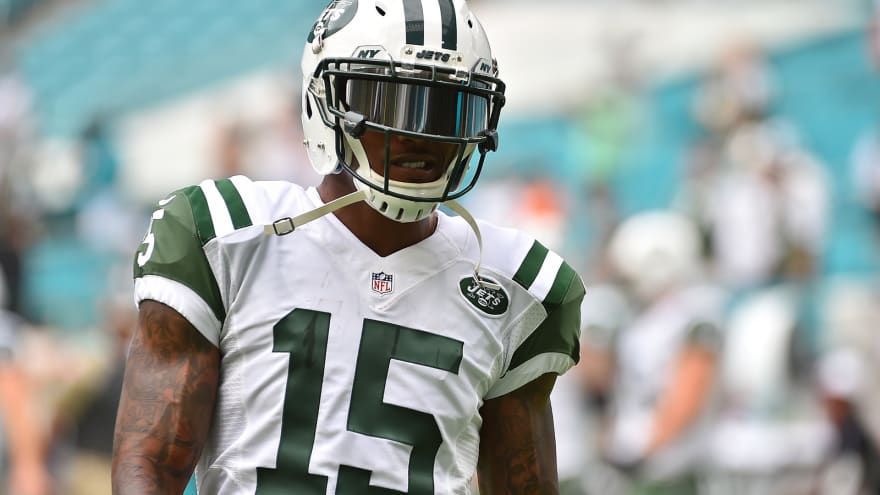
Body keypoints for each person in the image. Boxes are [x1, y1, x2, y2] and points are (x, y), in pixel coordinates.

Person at [111, 1, 585, 494]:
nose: (420, 132)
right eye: (390, 101)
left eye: (446, 108)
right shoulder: (225, 237)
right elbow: (147, 466)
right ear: (325, 102)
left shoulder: (517, 286)